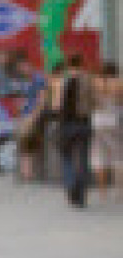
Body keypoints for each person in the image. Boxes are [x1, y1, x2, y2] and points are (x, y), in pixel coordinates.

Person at [50, 55, 94, 208]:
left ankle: (71, 184)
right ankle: (80, 196)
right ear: (81, 63)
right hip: (83, 123)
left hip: (66, 124)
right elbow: (94, 102)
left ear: (68, 65)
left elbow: (55, 106)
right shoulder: (88, 80)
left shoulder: (60, 82)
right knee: (83, 159)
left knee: (66, 157)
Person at [87, 61, 118, 205]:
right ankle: (120, 191)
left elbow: (89, 103)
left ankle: (102, 192)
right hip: (114, 123)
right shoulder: (119, 84)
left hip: (97, 123)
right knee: (118, 158)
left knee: (99, 158)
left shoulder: (94, 84)